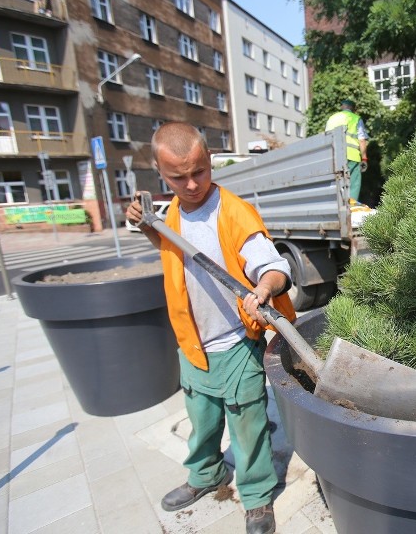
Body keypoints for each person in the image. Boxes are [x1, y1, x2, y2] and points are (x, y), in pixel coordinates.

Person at [126, 122, 296, 534]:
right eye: (177, 177)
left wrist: (265, 287)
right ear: (159, 172)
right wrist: (147, 224)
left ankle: (256, 496)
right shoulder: (169, 212)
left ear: (209, 161)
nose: (191, 184)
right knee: (200, 419)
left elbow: (272, 264)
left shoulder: (234, 212)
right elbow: (173, 250)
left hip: (236, 342)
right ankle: (206, 474)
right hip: (193, 341)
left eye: (199, 171)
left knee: (247, 423)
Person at [325, 99, 369, 202]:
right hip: (352, 157)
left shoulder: (331, 118)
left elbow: (326, 138)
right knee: (353, 185)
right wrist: (364, 159)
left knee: (337, 183)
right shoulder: (356, 119)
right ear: (353, 109)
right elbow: (362, 140)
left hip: (333, 156)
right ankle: (351, 210)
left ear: (342, 107)